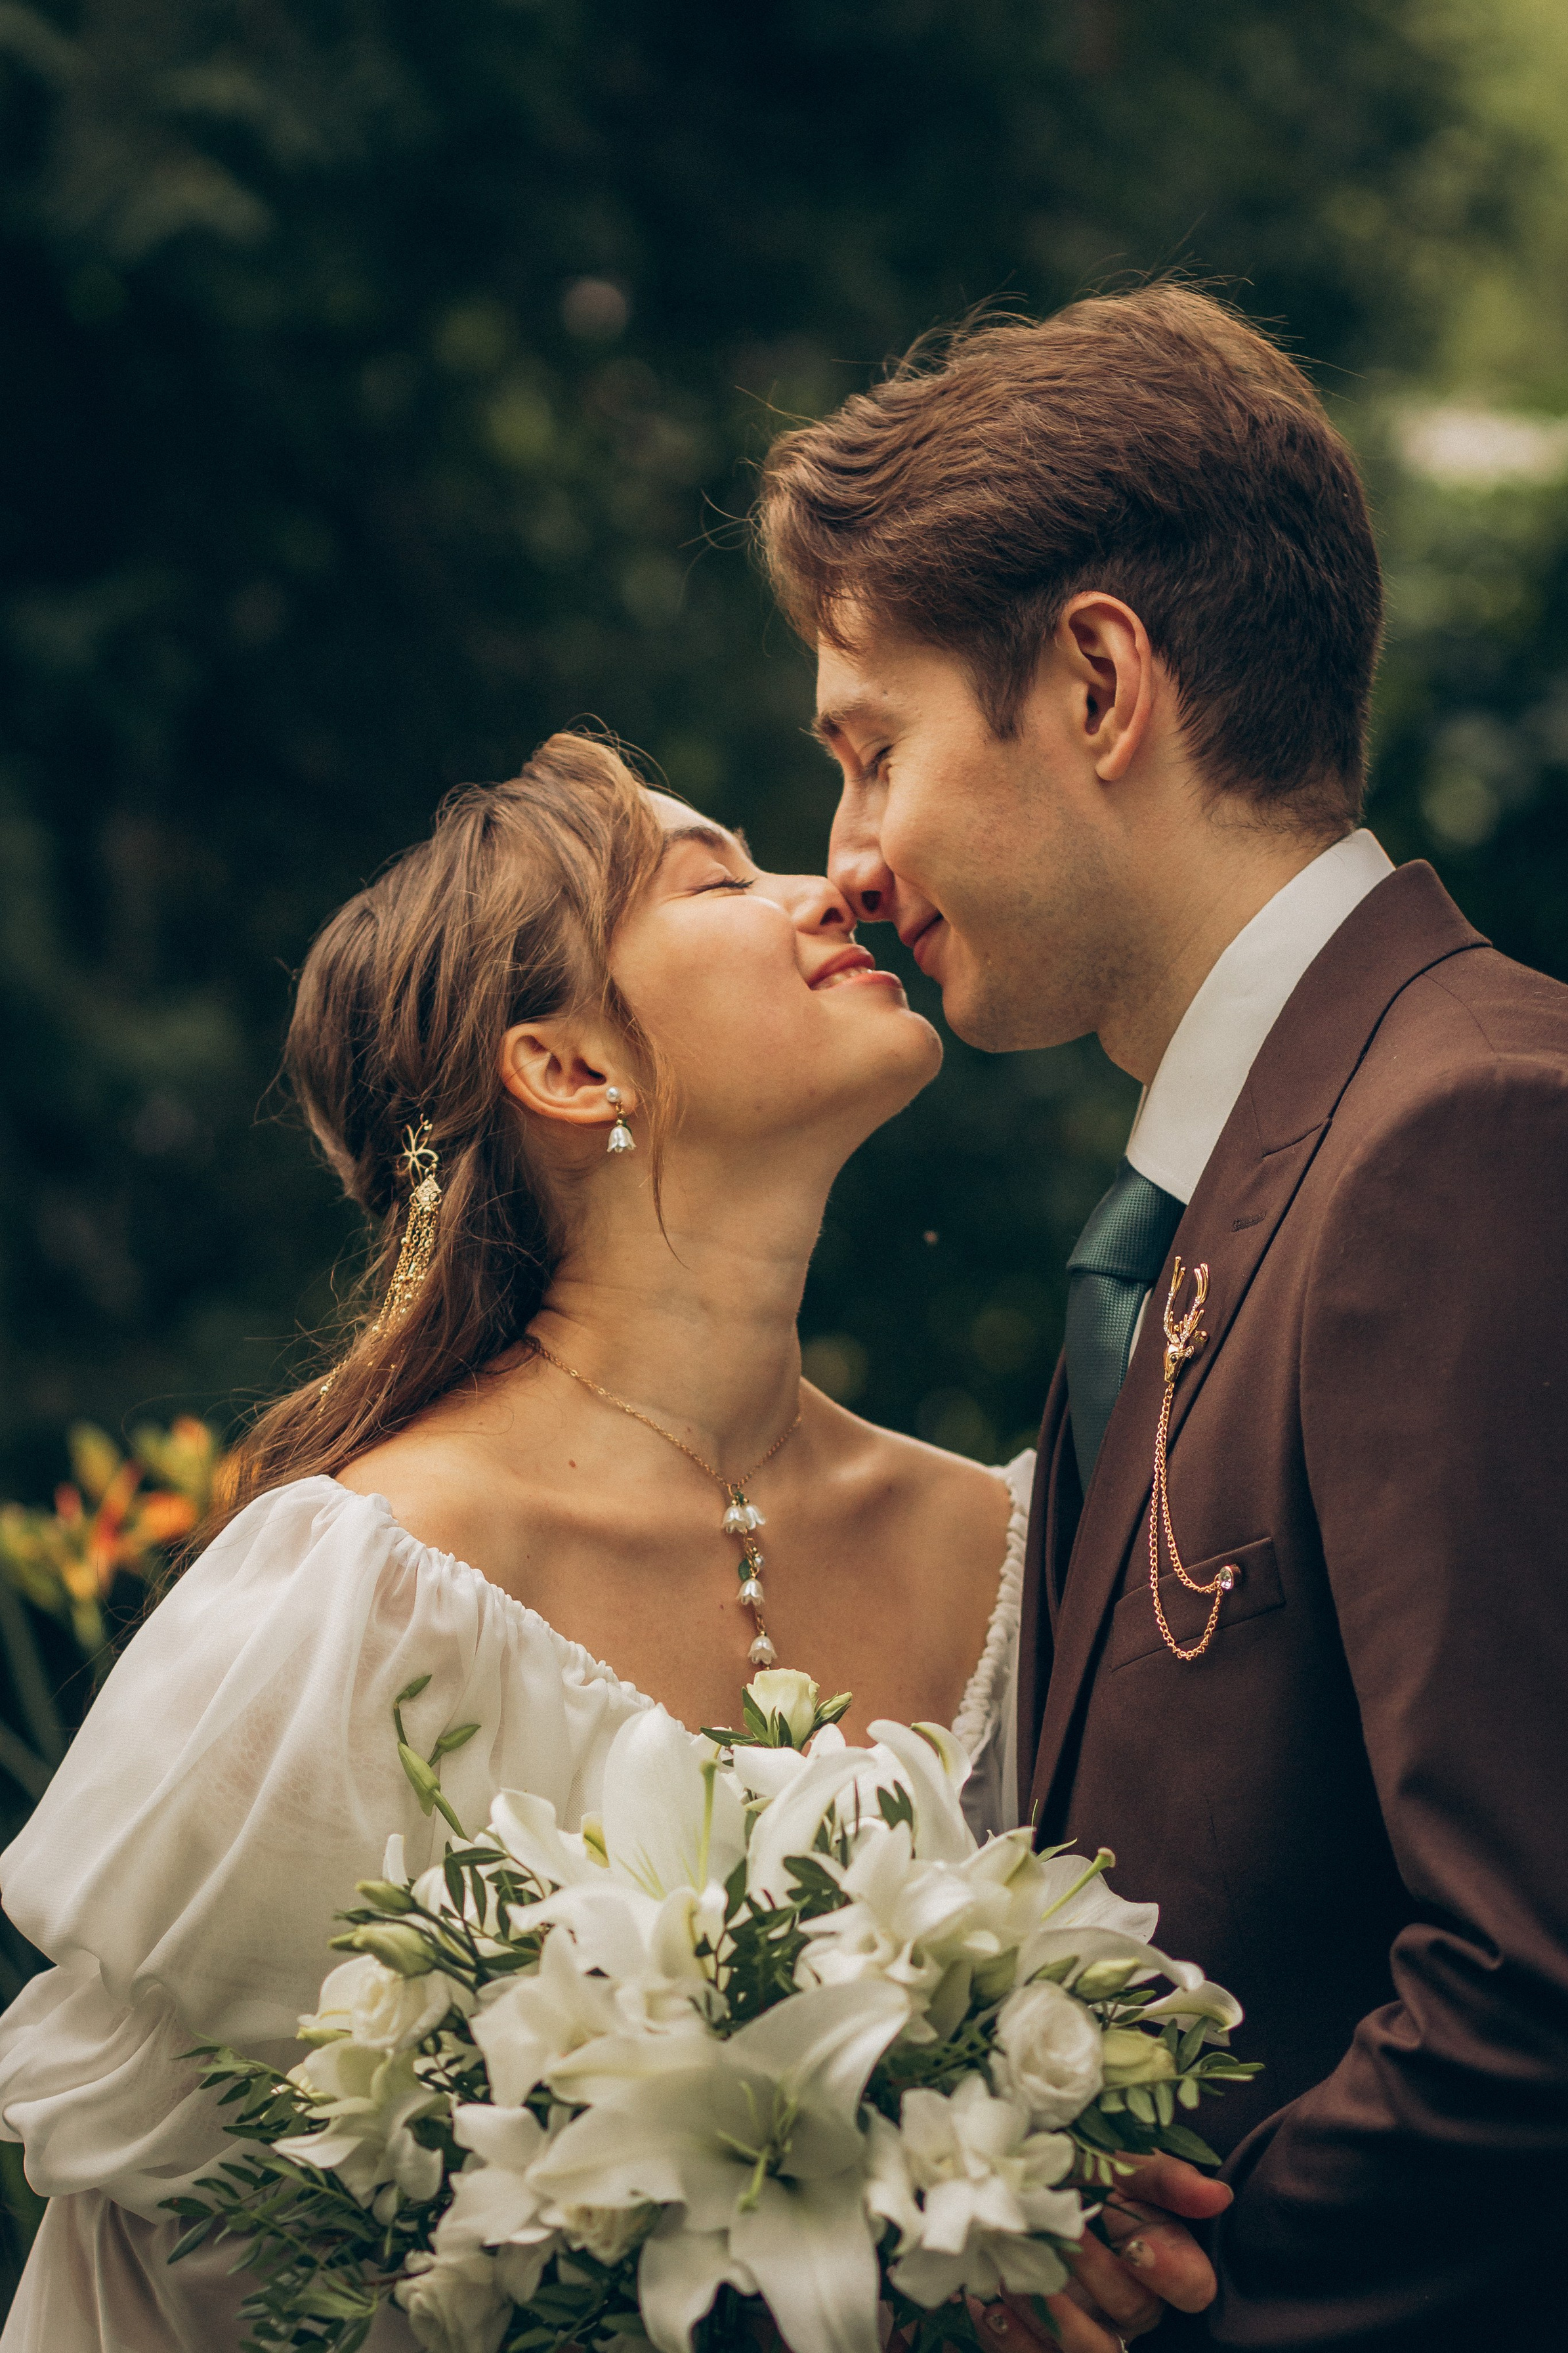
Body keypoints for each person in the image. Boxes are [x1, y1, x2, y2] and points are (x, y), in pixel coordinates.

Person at [0, 735, 1221, 2350]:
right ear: (570, 1069)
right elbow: (183, 2257)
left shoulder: (1022, 1534)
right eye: (720, 877)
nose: (837, 885)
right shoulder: (354, 1596)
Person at [755, 284, 1568, 2350]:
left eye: (870, 747)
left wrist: (1167, 2287)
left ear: (1098, 680)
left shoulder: (1482, 1138)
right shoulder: (1226, 1190)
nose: (851, 858)